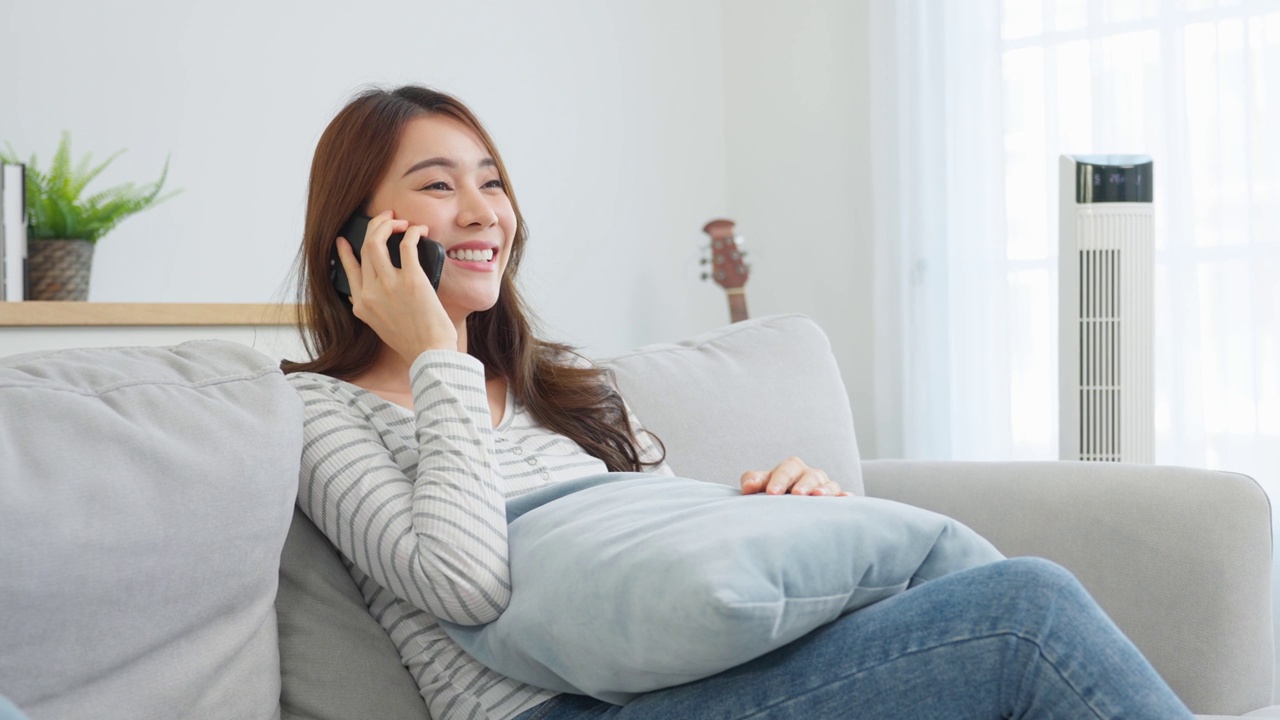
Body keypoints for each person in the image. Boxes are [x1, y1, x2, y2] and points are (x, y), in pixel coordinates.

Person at [282, 85, 1193, 720]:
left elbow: (678, 580)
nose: (484, 211)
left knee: (997, 612)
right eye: (439, 186)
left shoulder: (566, 392)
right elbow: (466, 584)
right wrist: (436, 355)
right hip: (561, 714)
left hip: (707, 690)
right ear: (358, 237)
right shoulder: (320, 415)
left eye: (492, 180)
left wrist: (772, 515)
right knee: (1024, 614)